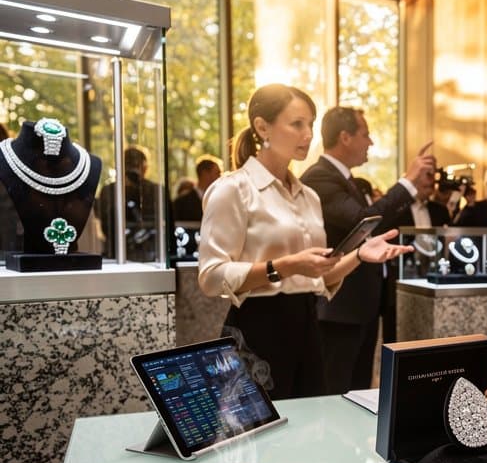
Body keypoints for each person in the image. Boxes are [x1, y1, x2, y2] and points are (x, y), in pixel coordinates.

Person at [198, 85, 410, 400]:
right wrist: (284, 266)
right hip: (258, 331)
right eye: (297, 124)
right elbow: (211, 277)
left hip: (310, 329)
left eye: (310, 124)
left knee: (309, 433)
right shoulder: (233, 189)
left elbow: (320, 279)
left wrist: (359, 256)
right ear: (262, 127)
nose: (308, 134)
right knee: (259, 440)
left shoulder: (308, 196)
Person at [300, 106, 434, 394]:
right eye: (366, 134)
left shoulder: (348, 180)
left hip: (361, 306)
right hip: (338, 308)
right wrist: (408, 182)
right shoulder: (320, 177)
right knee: (335, 392)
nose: (370, 142)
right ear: (345, 137)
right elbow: (364, 220)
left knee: (359, 389)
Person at [98, 144, 162, 261]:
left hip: (118, 256)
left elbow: (106, 228)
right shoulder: (158, 191)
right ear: (144, 167)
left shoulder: (109, 190)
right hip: (152, 258)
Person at [172, 155, 222, 222]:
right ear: (205, 174)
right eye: (217, 173)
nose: (220, 177)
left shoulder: (220, 200)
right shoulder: (181, 203)